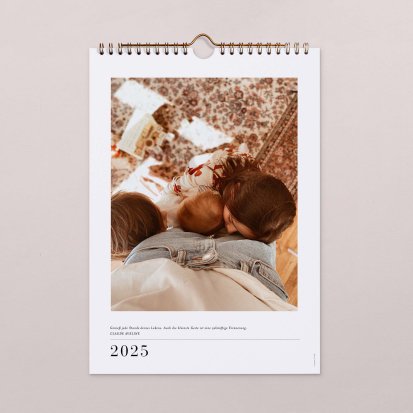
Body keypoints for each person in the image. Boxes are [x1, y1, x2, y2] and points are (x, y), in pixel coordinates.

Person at [161, 147, 296, 243]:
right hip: (217, 164)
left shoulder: (245, 208)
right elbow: (171, 189)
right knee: (193, 163)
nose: (230, 231)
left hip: (239, 175)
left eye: (238, 232)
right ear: (233, 192)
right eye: (231, 220)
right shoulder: (207, 175)